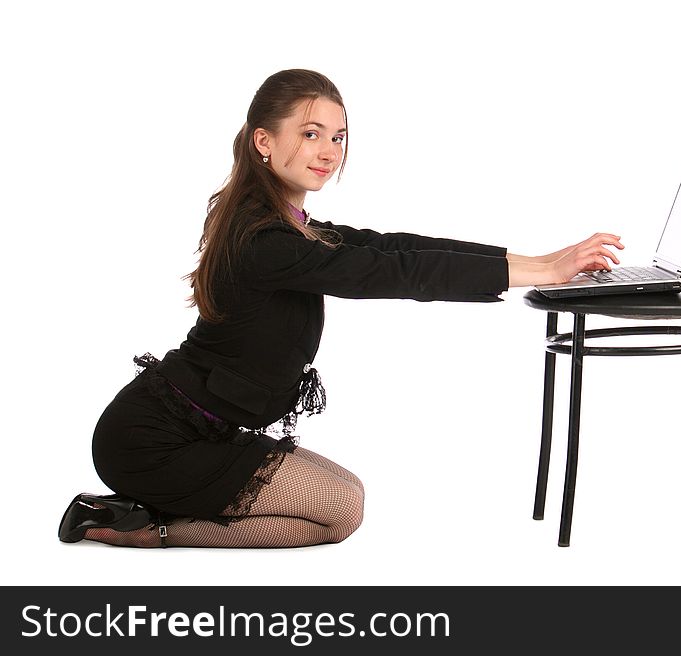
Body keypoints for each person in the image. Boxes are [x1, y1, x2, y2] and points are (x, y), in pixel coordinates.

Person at [58, 69, 624, 548]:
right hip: (151, 442)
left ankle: (139, 512)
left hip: (202, 433)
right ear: (264, 141)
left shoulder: (293, 229)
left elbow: (396, 247)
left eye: (338, 136)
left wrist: (543, 260)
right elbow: (392, 272)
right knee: (340, 507)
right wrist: (546, 272)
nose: (329, 152)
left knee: (338, 499)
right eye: (310, 134)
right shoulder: (265, 241)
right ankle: (129, 526)